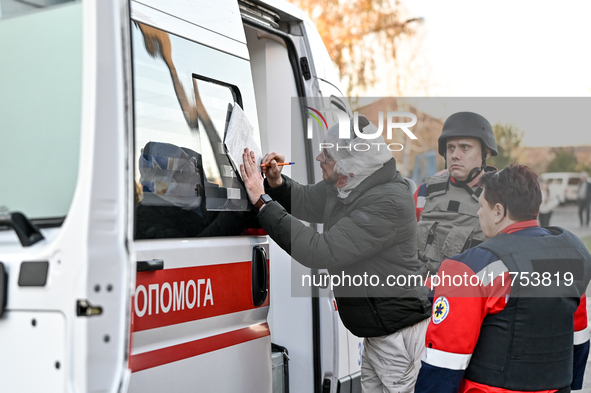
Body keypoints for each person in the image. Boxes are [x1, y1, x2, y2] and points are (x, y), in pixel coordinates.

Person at [240, 115, 431, 392]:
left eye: (327, 154)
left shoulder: (387, 201)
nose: (319, 157)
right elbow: (306, 199)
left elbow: (321, 251)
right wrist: (276, 183)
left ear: (352, 162)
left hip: (398, 335)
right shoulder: (349, 184)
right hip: (379, 332)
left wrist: (262, 202)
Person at [415, 164, 591, 393]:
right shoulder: (572, 251)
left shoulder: (470, 267)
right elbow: (578, 331)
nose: (479, 213)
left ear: (498, 211)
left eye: (481, 206)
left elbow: (445, 359)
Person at [415, 112, 498, 276]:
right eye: (450, 148)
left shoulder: (500, 196)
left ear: (485, 153)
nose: (454, 155)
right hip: (420, 292)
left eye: (465, 147)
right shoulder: (425, 191)